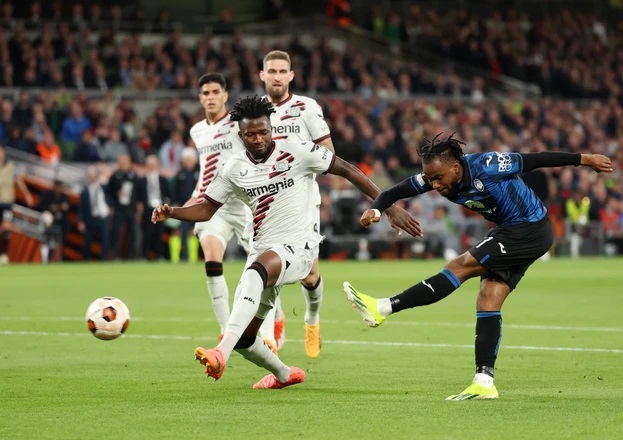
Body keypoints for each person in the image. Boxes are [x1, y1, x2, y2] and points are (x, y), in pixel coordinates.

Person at [151, 96, 421, 388]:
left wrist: (388, 205)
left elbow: (348, 169)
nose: (258, 138)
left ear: (271, 127)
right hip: (264, 250)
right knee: (245, 337)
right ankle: (283, 374)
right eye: (250, 134)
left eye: (263, 131)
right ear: (240, 135)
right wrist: (174, 212)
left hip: (300, 247)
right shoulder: (233, 169)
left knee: (256, 272)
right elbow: (206, 208)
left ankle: (220, 352)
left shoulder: (296, 149)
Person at [343, 133, 613, 400]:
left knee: (460, 265)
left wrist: (584, 159)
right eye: (430, 179)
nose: (434, 185)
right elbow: (395, 191)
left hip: (528, 228)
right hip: (511, 230)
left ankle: (382, 308)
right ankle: (484, 382)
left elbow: (536, 159)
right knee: (488, 298)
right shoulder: (437, 176)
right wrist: (377, 210)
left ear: (456, 167)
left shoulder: (488, 165)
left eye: (438, 178)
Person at [260, 49, 334, 358]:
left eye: (282, 71)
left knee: (310, 275)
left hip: (303, 203)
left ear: (291, 76)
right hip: (265, 204)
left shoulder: (306, 107)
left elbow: (328, 152)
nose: (277, 76)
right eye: (271, 71)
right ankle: (273, 326)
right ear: (262, 75)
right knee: (265, 268)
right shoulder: (254, 111)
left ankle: (312, 319)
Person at [184, 72, 252, 339]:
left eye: (215, 92)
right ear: (200, 98)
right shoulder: (197, 130)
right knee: (212, 261)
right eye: (205, 93)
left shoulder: (239, 124)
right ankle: (226, 331)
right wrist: (193, 197)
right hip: (213, 205)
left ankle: (276, 317)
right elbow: (206, 169)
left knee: (263, 267)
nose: (210, 97)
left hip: (245, 203)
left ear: (225, 95)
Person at [78, 165, 111, 261]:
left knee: (105, 242)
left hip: (103, 218)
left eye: (93, 175)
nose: (91, 177)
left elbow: (111, 198)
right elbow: (81, 208)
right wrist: (80, 221)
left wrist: (110, 208)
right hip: (90, 219)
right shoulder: (84, 192)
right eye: (89, 175)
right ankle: (86, 260)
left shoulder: (104, 188)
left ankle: (103, 261)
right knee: (88, 242)